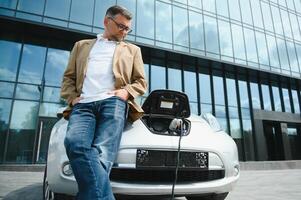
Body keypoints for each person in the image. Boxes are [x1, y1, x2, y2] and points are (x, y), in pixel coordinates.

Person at [60, 5, 147, 200]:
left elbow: (141, 82)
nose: (125, 32)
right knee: (74, 143)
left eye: (127, 29)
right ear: (106, 21)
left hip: (113, 102)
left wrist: (126, 92)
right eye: (121, 26)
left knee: (102, 155)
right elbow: (69, 77)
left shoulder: (133, 50)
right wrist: (72, 97)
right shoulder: (81, 46)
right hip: (83, 104)